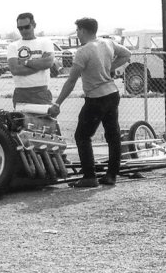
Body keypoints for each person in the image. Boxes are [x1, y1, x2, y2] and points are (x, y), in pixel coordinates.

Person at [49, 17, 131, 187]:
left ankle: (89, 176)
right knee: (113, 135)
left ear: (84, 31)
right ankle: (111, 175)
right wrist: (110, 68)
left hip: (96, 98)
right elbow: (127, 54)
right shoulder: (107, 43)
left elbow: (71, 81)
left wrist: (57, 104)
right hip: (112, 93)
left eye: (78, 30)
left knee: (82, 135)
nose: (77, 33)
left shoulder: (83, 51)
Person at [7, 12, 55, 107]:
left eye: (27, 27)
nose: (24, 30)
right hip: (21, 92)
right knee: (20, 121)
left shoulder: (45, 42)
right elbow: (15, 70)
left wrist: (25, 62)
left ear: (34, 25)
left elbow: (48, 63)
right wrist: (40, 65)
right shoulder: (13, 46)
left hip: (41, 91)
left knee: (44, 121)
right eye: (20, 28)